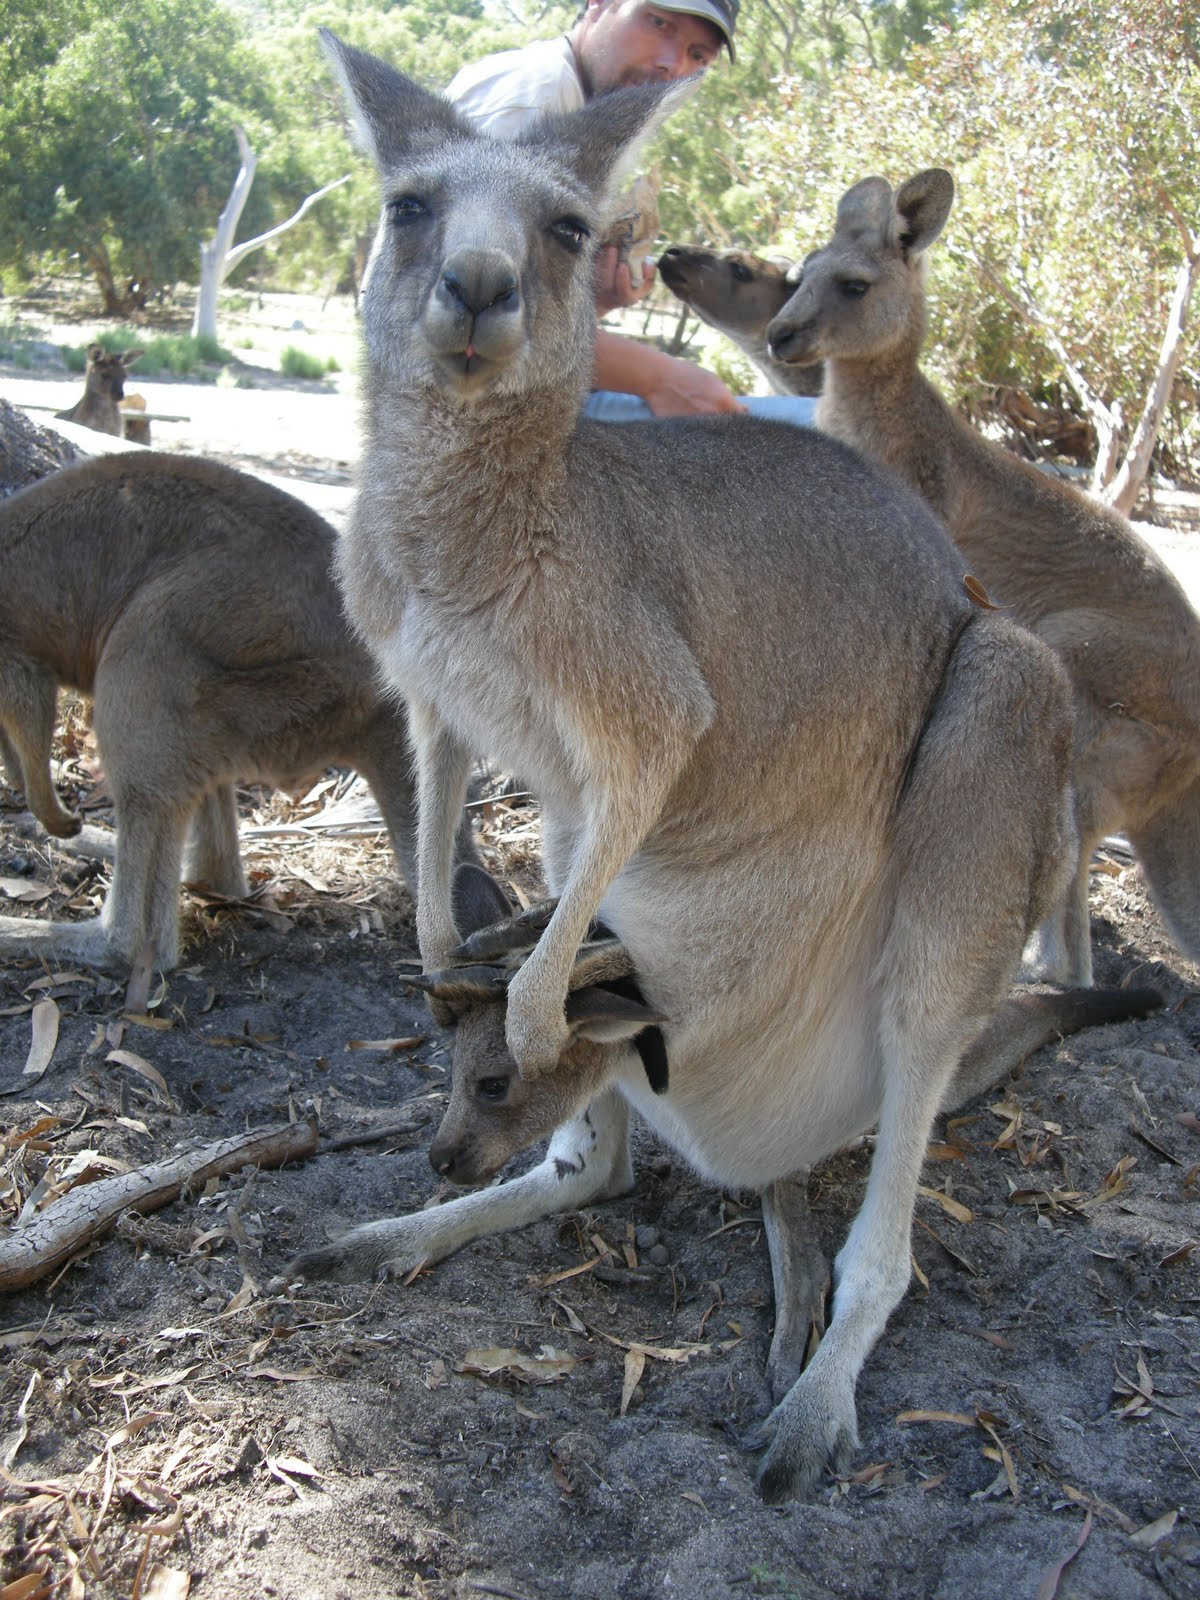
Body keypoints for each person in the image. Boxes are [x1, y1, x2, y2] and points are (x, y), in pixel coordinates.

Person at [446, 0, 815, 425]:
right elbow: (462, 319)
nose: (671, 64)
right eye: (659, 23)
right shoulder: (532, 107)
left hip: (503, 405)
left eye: (698, 55)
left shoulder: (586, 111)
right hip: (462, 430)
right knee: (810, 430)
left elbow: (519, 311)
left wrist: (596, 302)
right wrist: (657, 377)